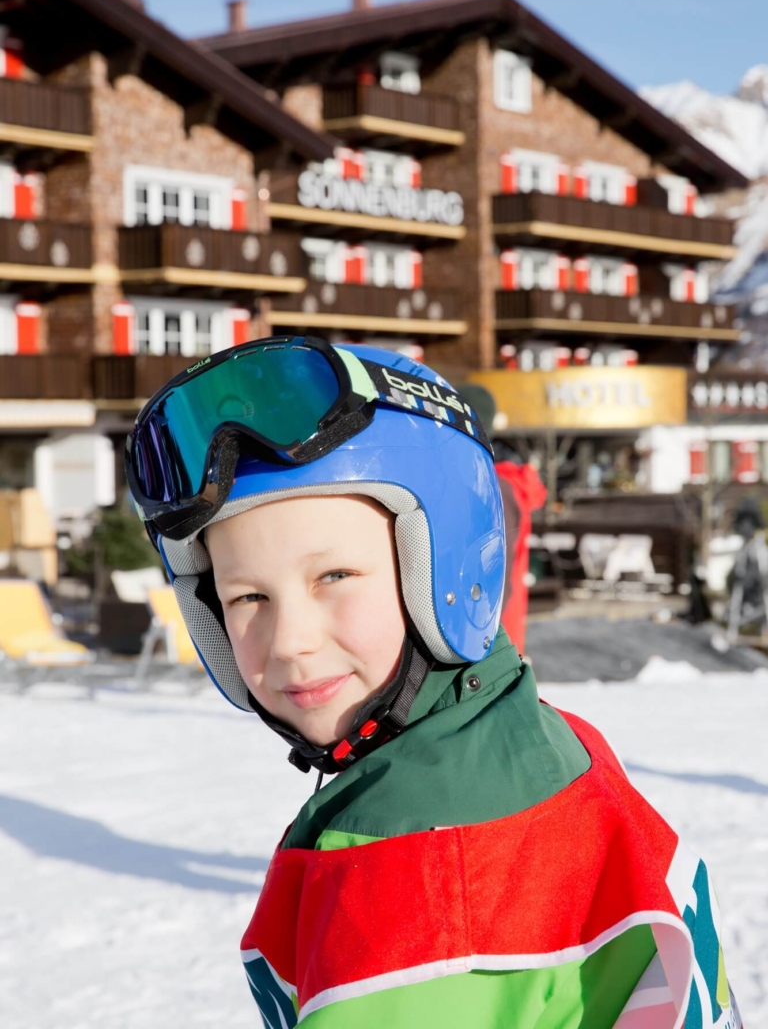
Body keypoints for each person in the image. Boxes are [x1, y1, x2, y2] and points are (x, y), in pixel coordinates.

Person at [126, 335, 740, 1028]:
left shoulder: (412, 891)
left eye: (334, 577)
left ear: (444, 568)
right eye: (247, 599)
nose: (290, 642)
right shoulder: (551, 744)